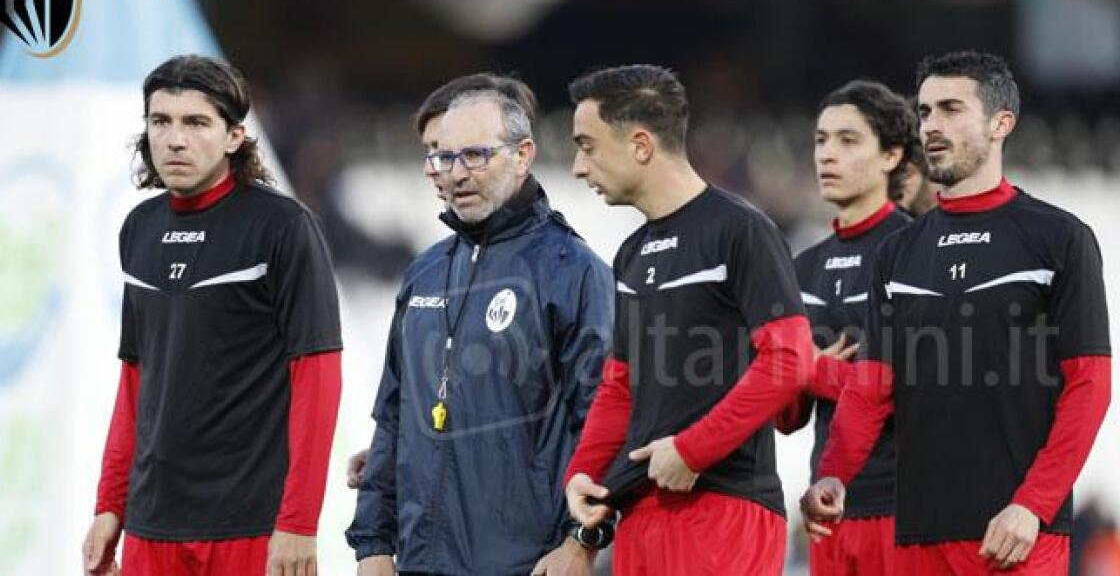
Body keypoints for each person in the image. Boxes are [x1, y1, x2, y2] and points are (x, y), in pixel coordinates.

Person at [802, 51, 1112, 574]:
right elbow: (872, 388)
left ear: (1000, 123)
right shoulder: (897, 253)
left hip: (1017, 535)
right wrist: (834, 473)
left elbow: (1090, 386)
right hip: (917, 534)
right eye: (925, 112)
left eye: (951, 109)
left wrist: (1033, 505)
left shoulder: (1059, 238)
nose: (932, 126)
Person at [80, 55, 344, 576]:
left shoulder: (284, 227)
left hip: (250, 526)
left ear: (234, 136)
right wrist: (110, 504)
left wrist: (299, 522)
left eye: (196, 122)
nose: (175, 140)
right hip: (152, 525)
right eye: (161, 121)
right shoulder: (138, 228)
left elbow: (318, 380)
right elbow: (135, 381)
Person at [345, 76, 613, 575]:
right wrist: (373, 544)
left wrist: (580, 543)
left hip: (528, 564)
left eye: (474, 156)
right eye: (444, 158)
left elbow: (601, 422)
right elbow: (393, 417)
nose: (456, 174)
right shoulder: (425, 272)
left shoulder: (573, 272)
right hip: (419, 562)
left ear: (523, 154)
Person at [562, 64, 813, 575]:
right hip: (642, 515)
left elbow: (790, 361)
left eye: (587, 147)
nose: (577, 167)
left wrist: (694, 451)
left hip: (724, 509)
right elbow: (621, 384)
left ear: (640, 145)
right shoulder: (631, 253)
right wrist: (584, 472)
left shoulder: (741, 231)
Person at [343, 74, 541, 493]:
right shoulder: (428, 271)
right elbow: (406, 406)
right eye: (434, 152)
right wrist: (400, 455)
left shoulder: (562, 272)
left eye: (465, 153)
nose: (440, 170)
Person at [776, 80, 922, 575]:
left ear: (891, 156)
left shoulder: (916, 250)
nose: (827, 154)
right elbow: (787, 417)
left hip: (905, 506)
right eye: (820, 140)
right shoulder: (804, 267)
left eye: (847, 140)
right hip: (827, 509)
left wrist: (812, 369)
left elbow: (911, 387)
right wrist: (795, 372)